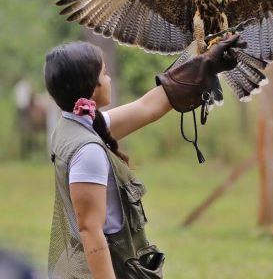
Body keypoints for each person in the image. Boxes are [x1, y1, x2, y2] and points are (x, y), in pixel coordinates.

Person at [44, 35, 244, 278]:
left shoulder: (71, 126)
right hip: (109, 268)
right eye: (104, 74)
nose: (108, 79)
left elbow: (145, 108)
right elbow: (91, 231)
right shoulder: (88, 151)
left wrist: (204, 65)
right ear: (92, 85)